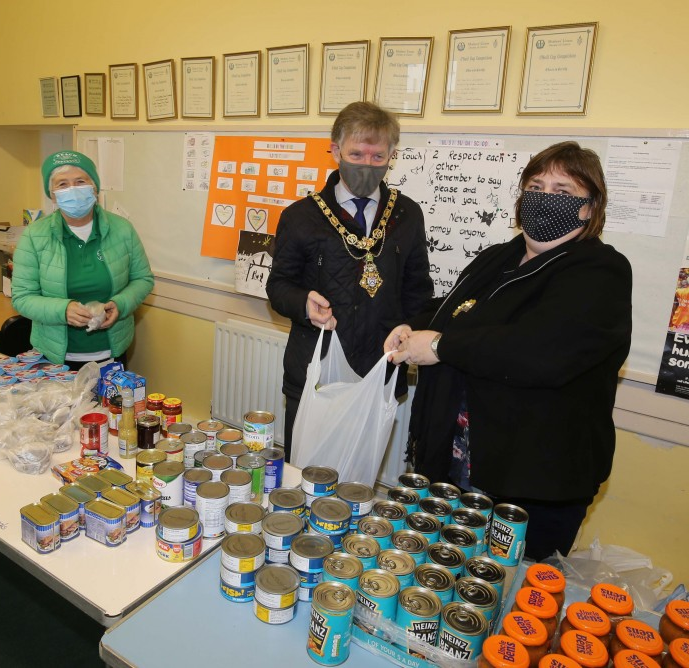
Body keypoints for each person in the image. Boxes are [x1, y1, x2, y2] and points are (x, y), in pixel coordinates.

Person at [384, 141, 633, 561]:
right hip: (457, 464)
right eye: (536, 186)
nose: (544, 199)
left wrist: (442, 346)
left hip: (531, 480)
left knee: (511, 593)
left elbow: (542, 351)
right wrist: (416, 326)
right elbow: (457, 311)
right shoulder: (499, 256)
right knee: (444, 574)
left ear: (589, 208)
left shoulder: (600, 271)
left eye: (563, 191)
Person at [267, 102, 433, 461]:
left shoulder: (407, 214)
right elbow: (277, 287)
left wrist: (411, 325)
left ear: (392, 155)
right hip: (316, 369)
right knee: (306, 472)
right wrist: (303, 304)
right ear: (336, 150)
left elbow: (419, 289)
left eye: (378, 156)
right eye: (356, 153)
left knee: (359, 477)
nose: (366, 165)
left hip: (380, 369)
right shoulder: (301, 215)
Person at [12, 150, 154, 368]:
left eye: (80, 181)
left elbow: (143, 279)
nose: (73, 190)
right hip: (56, 358)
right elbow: (22, 297)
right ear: (52, 194)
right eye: (62, 184)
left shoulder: (122, 229)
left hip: (112, 352)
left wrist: (120, 304)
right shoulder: (34, 236)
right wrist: (63, 310)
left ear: (95, 188)